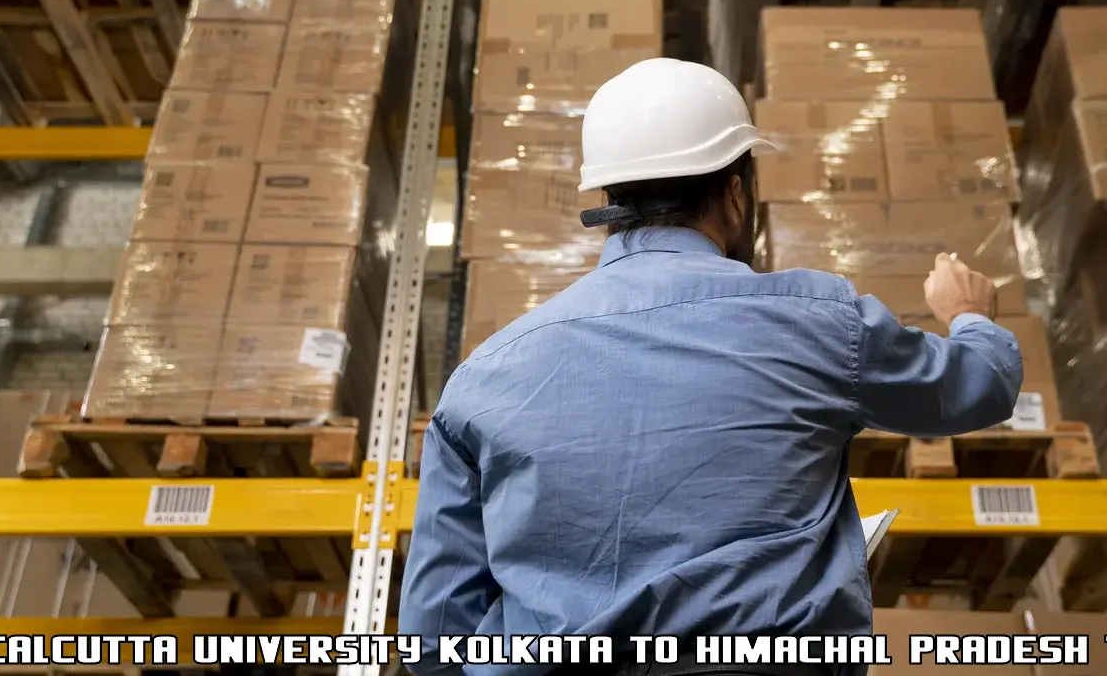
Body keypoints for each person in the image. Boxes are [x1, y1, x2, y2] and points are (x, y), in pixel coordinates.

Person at [400, 58, 1024, 676]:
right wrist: (969, 314)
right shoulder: (816, 320)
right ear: (734, 193)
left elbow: (433, 640)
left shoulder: (482, 379)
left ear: (610, 199)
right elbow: (978, 387)